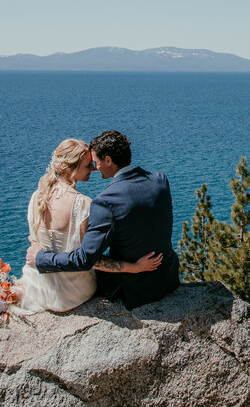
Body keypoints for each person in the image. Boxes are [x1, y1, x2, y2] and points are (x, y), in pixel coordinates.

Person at [26, 130, 181, 310]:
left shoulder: (105, 202)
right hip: (167, 278)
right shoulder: (160, 180)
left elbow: (85, 259)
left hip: (133, 290)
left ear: (108, 160)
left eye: (96, 162)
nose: (94, 167)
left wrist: (40, 258)